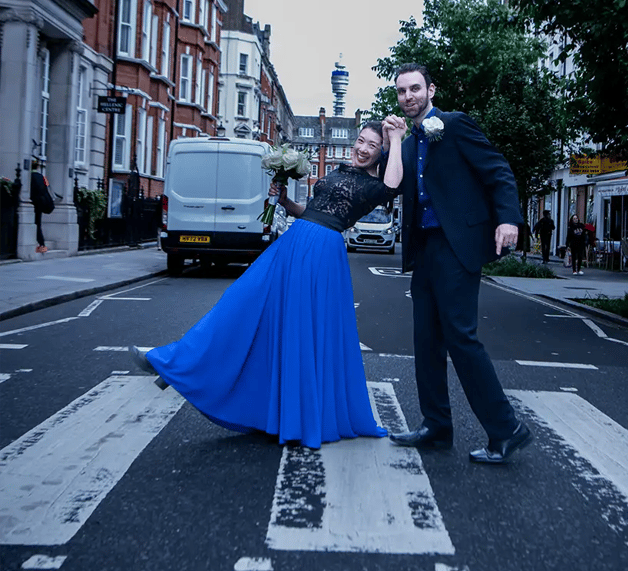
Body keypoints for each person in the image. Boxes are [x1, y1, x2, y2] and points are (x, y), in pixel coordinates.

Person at [130, 120, 407, 449]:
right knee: (243, 303)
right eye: (361, 140)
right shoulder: (341, 169)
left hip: (320, 253)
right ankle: (181, 365)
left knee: (297, 327)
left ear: (381, 153)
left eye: (372, 146)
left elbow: (392, 185)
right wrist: (288, 203)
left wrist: (397, 137)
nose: (362, 148)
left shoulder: (375, 184)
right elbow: (315, 210)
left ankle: (174, 365)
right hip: (295, 241)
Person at [382, 63, 533, 465]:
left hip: (457, 244)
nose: (408, 96)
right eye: (401, 91)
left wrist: (508, 217)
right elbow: (390, 185)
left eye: (415, 88)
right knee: (425, 340)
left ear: (431, 90)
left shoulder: (455, 124)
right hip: (425, 248)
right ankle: (436, 426)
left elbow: (499, 170)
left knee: (461, 338)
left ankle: (507, 429)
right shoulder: (409, 141)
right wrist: (392, 142)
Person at [30, 161, 54, 254]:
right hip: (40, 203)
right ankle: (42, 245)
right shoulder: (42, 177)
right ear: (38, 167)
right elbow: (47, 188)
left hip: (33, 202)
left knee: (35, 223)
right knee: (38, 224)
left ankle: (41, 244)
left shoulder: (30, 176)